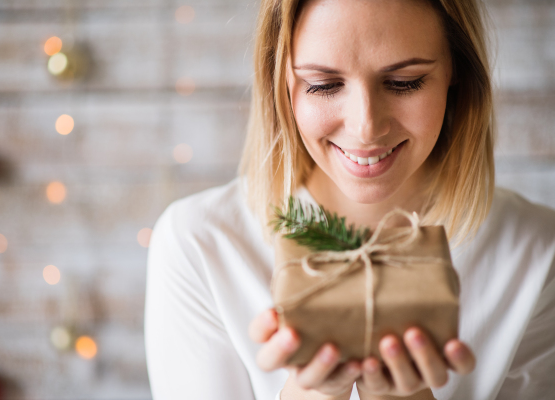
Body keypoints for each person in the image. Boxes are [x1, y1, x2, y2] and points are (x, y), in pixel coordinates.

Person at [144, 0, 555, 399]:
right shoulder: (200, 242)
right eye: (323, 85)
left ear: (456, 71)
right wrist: (311, 394)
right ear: (282, 81)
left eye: (404, 82)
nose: (365, 127)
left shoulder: (539, 252)